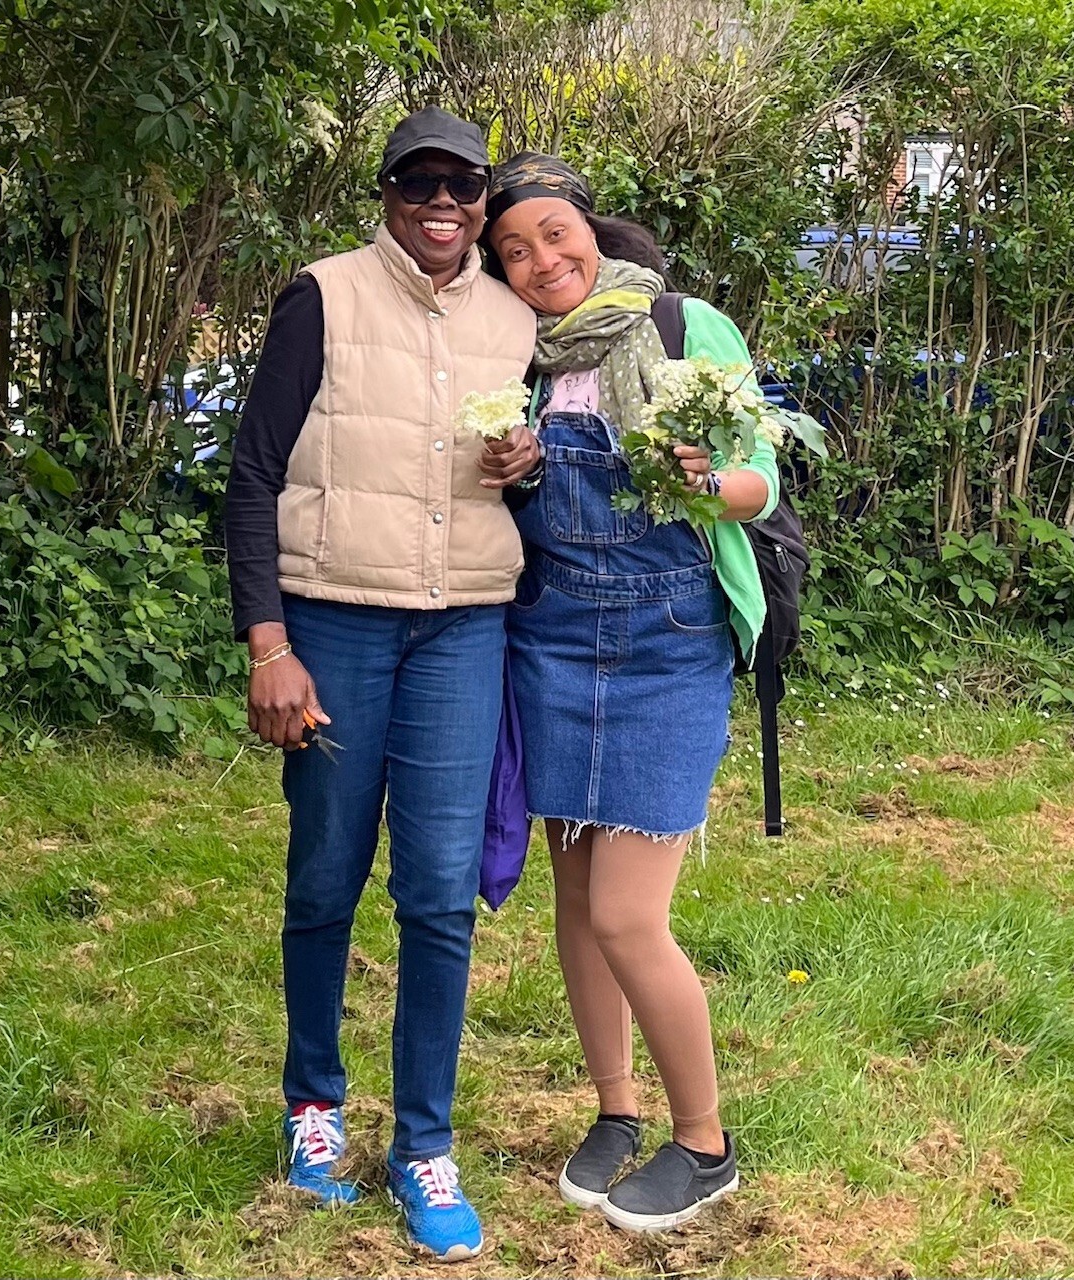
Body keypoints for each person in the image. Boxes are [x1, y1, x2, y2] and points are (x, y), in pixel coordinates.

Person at [224, 108, 540, 1262]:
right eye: (419, 183)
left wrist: (528, 466)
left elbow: (531, 476)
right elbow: (253, 473)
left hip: (463, 627)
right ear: (388, 193)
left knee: (438, 893)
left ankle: (422, 1144)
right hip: (334, 622)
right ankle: (313, 1107)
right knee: (324, 873)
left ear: (482, 197)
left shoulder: (516, 318)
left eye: (461, 185)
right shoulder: (322, 294)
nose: (441, 204)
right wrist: (269, 643)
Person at [482, 154, 781, 1233]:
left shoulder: (678, 325)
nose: (539, 260)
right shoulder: (513, 358)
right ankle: (614, 1110)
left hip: (663, 643)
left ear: (592, 233)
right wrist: (503, 467)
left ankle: (702, 1142)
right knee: (576, 902)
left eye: (553, 234)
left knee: (624, 912)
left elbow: (760, 479)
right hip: (549, 638)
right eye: (512, 250)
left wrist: (707, 479)